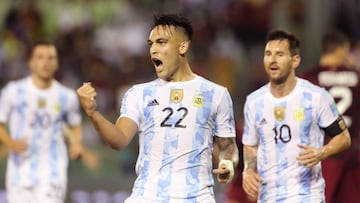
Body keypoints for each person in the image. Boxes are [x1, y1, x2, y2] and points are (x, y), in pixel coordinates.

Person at [77, 13, 239, 203]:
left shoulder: (216, 94)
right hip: (147, 197)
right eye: (151, 44)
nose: (153, 49)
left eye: (161, 42)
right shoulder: (139, 94)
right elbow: (119, 140)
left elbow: (228, 147)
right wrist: (92, 113)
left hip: (196, 198)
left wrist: (228, 162)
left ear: (182, 46)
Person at [241, 29, 351, 202]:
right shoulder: (254, 102)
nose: (272, 60)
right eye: (268, 54)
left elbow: (344, 138)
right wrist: (248, 170)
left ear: (295, 60)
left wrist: (322, 152)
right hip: (269, 196)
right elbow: (251, 145)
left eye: (279, 54)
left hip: (307, 194)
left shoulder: (317, 97)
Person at [0, 40, 84, 203]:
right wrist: (10, 143)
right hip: (19, 174)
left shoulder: (67, 96)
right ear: (31, 62)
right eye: (40, 57)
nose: (46, 62)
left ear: (57, 63)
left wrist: (76, 144)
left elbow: (75, 125)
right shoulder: (13, 91)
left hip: (52, 174)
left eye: (50, 58)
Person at [302, 30, 360, 203]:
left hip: (319, 158)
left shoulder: (308, 78)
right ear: (343, 49)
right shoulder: (357, 77)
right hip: (352, 157)